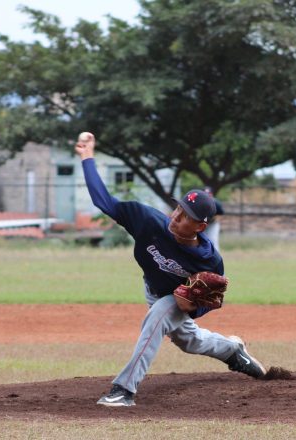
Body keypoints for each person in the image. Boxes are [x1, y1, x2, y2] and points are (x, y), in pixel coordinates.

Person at [75, 132, 267, 407]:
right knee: (190, 342)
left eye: (185, 217)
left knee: (158, 317)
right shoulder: (148, 221)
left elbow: (210, 301)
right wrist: (87, 157)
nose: (175, 218)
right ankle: (232, 350)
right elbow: (103, 201)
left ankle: (124, 390)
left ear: (200, 226)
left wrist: (190, 307)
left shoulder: (208, 260)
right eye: (177, 209)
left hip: (173, 300)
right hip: (153, 288)